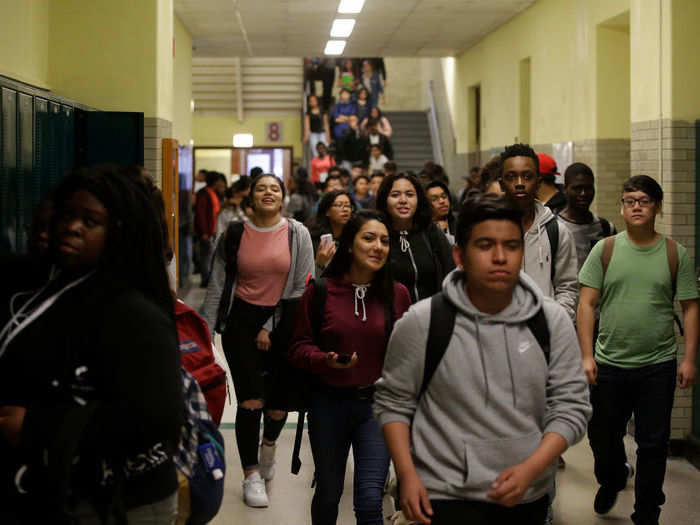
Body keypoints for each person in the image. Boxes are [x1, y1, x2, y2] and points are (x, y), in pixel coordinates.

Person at [373, 193, 591, 525]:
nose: (500, 257)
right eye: (486, 245)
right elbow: (394, 402)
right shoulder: (424, 322)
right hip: (442, 496)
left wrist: (532, 469)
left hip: (527, 496)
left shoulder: (550, 322)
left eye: (512, 246)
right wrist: (407, 475)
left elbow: (572, 406)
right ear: (460, 255)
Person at [0, 166, 184, 524]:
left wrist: (36, 427)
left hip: (122, 501)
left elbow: (155, 418)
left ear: (116, 232)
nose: (71, 227)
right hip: (51, 489)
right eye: (68, 216)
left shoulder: (135, 311)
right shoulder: (51, 289)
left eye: (90, 220)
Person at [577, 175, 698, 525]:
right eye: (629, 201)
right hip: (609, 363)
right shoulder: (606, 249)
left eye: (644, 201)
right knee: (602, 435)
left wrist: (689, 359)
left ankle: (647, 511)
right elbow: (586, 304)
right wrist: (587, 356)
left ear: (657, 206)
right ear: (622, 207)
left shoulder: (676, 253)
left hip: (657, 364)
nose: (636, 207)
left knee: (653, 443)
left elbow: (690, 307)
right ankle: (613, 477)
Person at [290, 210, 411, 525]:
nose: (378, 247)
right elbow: (298, 347)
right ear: (348, 245)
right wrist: (325, 360)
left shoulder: (397, 295)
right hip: (327, 404)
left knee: (371, 498)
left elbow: (407, 356)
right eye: (368, 238)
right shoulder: (320, 291)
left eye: (385, 241)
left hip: (376, 406)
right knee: (329, 493)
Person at [202, 173, 314, 508]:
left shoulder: (297, 233)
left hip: (285, 321)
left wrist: (270, 325)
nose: (268, 192)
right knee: (251, 400)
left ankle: (268, 448)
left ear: (283, 196)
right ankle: (251, 474)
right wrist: (204, 337)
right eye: (261, 188)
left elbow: (301, 287)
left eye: (275, 188)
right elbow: (217, 286)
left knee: (278, 405)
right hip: (240, 325)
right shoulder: (234, 233)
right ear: (251, 196)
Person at [499, 144, 578, 321]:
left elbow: (567, 288)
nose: (519, 183)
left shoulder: (556, 231)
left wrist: (553, 325)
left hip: (544, 336)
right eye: (511, 177)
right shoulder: (486, 231)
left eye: (527, 177)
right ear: (501, 184)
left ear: (538, 183)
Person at [375, 172, 455, 303]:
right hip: (391, 318)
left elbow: (450, 271)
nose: (403, 200)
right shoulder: (377, 234)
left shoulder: (430, 231)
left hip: (431, 315)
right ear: (385, 200)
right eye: (395, 195)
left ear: (419, 199)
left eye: (410, 195)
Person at [556, 162, 616, 270]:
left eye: (588, 188)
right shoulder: (554, 228)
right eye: (577, 188)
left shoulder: (606, 228)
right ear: (565, 190)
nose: (583, 193)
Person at [308, 189, 354, 276]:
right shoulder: (313, 238)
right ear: (327, 211)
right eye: (339, 205)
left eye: (348, 206)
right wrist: (319, 263)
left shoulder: (354, 237)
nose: (345, 209)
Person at [195, 171, 226, 287]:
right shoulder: (204, 194)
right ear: (215, 182)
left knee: (210, 256)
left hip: (213, 231)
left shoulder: (213, 193)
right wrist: (203, 232)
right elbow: (201, 213)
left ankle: (209, 278)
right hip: (206, 232)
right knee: (205, 256)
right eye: (219, 181)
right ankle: (205, 280)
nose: (220, 183)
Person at [425, 180, 456, 245]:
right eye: (435, 199)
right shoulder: (422, 229)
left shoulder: (459, 222)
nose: (442, 201)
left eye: (444, 197)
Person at [304, 95, 331, 160]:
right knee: (315, 152)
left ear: (317, 101)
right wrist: (306, 136)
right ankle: (317, 165)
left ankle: (325, 165)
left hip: (322, 133)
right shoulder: (308, 113)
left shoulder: (323, 111)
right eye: (311, 101)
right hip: (313, 134)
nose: (313, 102)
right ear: (309, 103)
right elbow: (307, 126)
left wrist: (328, 137)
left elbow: (326, 124)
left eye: (314, 100)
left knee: (324, 150)